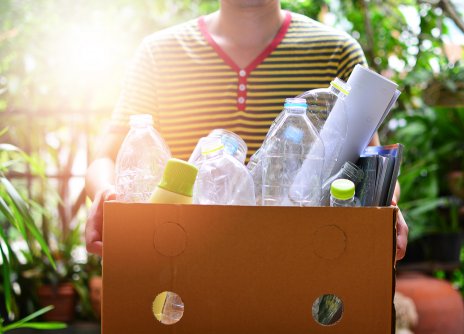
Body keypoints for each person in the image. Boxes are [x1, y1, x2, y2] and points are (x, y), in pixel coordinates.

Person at [85, 0, 408, 260]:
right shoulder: (158, 53)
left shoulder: (336, 51)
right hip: (180, 261)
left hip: (302, 263)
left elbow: (369, 167)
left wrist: (386, 211)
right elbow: (107, 158)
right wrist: (105, 193)